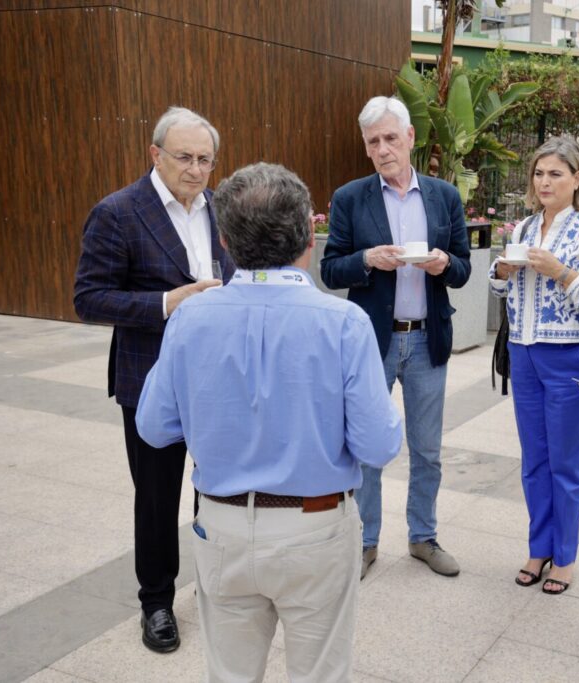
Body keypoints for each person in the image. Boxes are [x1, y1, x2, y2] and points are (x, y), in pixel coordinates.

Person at [136, 162, 402, 682]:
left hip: (222, 524)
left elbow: (154, 427)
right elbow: (378, 445)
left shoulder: (191, 316)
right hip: (316, 526)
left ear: (225, 240)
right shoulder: (344, 322)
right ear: (307, 237)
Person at [73, 106, 233, 653]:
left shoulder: (221, 208)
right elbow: (89, 298)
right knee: (157, 498)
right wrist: (168, 302)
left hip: (216, 380)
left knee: (218, 489)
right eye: (184, 157)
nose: (196, 169)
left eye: (206, 160)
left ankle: (216, 584)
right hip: (150, 380)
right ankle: (158, 602)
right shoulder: (118, 212)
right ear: (155, 154)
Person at [321, 96, 471, 580]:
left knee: (427, 449)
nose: (383, 149)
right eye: (373, 142)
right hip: (373, 342)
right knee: (368, 447)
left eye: (390, 138)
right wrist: (367, 260)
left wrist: (444, 264)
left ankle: (423, 536)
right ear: (366, 148)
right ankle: (364, 541)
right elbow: (330, 269)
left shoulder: (444, 196)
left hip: (428, 340)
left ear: (409, 137)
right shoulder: (350, 198)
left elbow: (464, 268)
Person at [489, 136, 579, 595]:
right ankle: (539, 547)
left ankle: (564, 556)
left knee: (565, 461)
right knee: (534, 459)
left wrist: (561, 272)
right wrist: (500, 274)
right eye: (539, 173)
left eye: (555, 174)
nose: (544, 182)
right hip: (523, 352)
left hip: (568, 354)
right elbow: (501, 290)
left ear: (577, 178)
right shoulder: (525, 229)